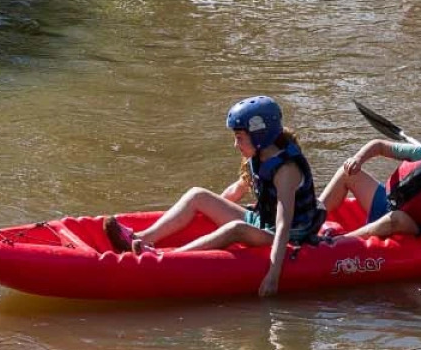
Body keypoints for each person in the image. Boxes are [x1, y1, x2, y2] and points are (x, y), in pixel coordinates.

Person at [103, 96, 324, 297]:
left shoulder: (286, 170)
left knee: (235, 228)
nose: (235, 144)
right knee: (198, 195)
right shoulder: (259, 156)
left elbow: (284, 224)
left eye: (239, 138)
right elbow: (237, 190)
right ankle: (141, 238)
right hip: (264, 222)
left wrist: (274, 275)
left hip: (291, 235)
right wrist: (209, 210)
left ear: (260, 136)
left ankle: (167, 258)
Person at [318, 127, 421, 272]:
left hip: (411, 224)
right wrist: (358, 159)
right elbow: (379, 146)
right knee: (347, 174)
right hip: (387, 202)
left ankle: (337, 242)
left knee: (396, 218)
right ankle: (312, 215)